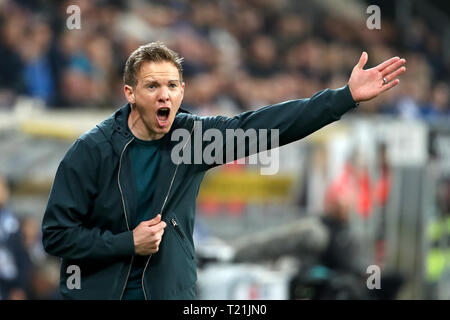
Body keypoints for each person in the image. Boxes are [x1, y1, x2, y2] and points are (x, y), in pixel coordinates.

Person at [41, 41, 406, 300]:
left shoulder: (193, 140)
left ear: (182, 91)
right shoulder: (91, 151)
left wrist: (343, 97)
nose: (164, 95)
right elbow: (57, 235)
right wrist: (127, 243)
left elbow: (267, 127)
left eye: (171, 86)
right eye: (152, 86)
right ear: (130, 93)